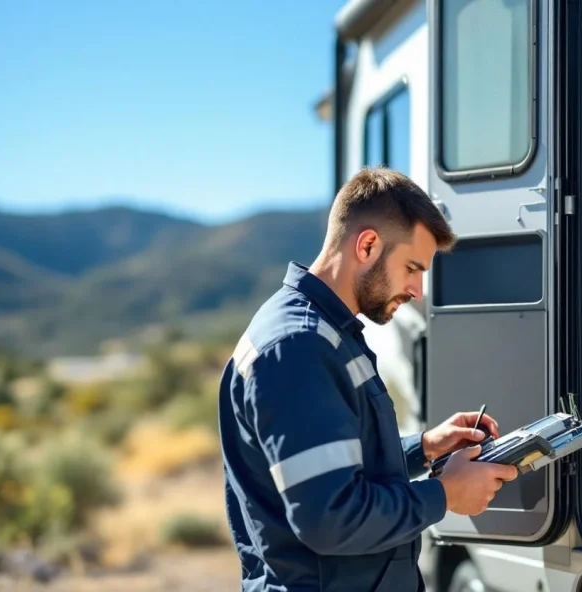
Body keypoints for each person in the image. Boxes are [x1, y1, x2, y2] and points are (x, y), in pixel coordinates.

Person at [218, 167, 519, 592]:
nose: (417, 290)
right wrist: (446, 495)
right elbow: (331, 517)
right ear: (368, 244)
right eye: (412, 268)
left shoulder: (325, 334)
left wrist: (425, 447)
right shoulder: (298, 346)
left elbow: (332, 461)